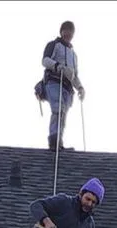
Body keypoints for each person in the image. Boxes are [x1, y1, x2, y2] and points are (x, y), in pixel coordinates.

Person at [41, 21, 85, 151]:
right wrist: (58, 66)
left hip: (67, 87)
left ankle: (58, 142)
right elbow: (45, 60)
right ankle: (54, 141)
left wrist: (80, 87)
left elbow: (74, 75)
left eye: (71, 32)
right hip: (54, 81)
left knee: (63, 113)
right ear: (61, 32)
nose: (68, 34)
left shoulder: (74, 55)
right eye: (66, 31)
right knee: (58, 108)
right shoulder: (54, 44)